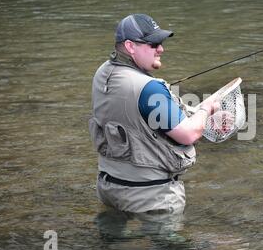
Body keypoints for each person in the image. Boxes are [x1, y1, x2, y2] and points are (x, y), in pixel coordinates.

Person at [89, 14, 221, 214]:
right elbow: (188, 134)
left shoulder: (103, 72)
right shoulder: (149, 89)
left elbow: (137, 116)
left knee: (113, 243)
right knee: (174, 246)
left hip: (109, 187)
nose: (161, 49)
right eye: (153, 43)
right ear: (130, 46)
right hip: (150, 198)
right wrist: (206, 108)